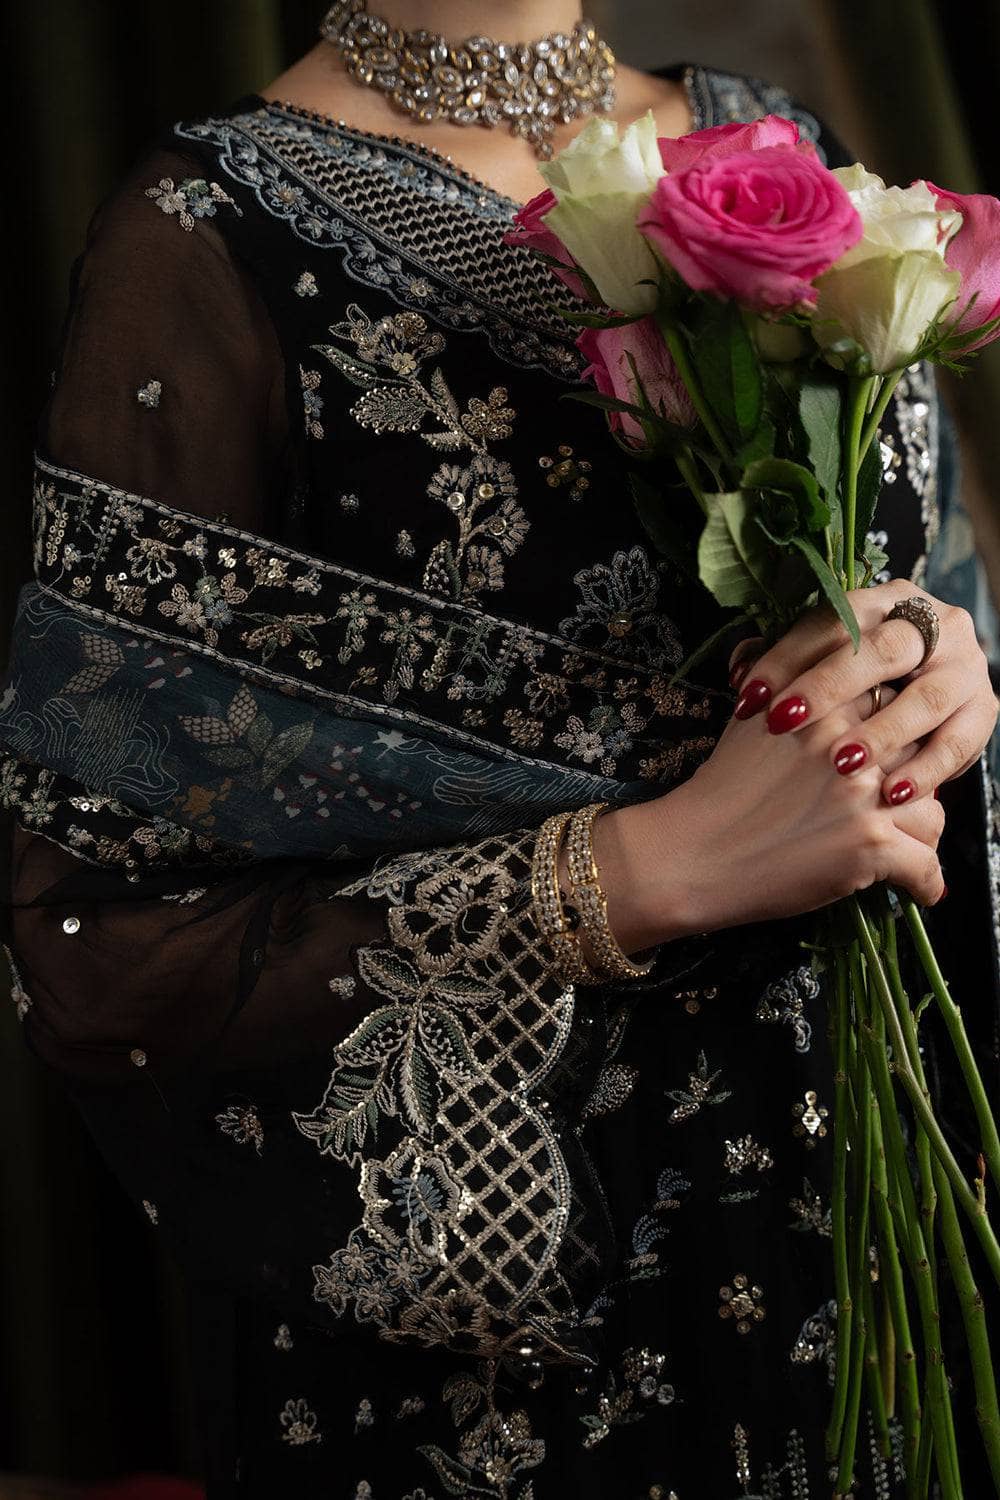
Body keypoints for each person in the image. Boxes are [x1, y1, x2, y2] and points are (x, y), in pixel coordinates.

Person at [1, 3, 997, 1496]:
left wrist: (934, 670)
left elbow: (918, 590)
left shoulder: (786, 153)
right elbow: (104, 941)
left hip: (877, 1214)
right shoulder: (208, 237)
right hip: (523, 1337)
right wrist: (635, 871)